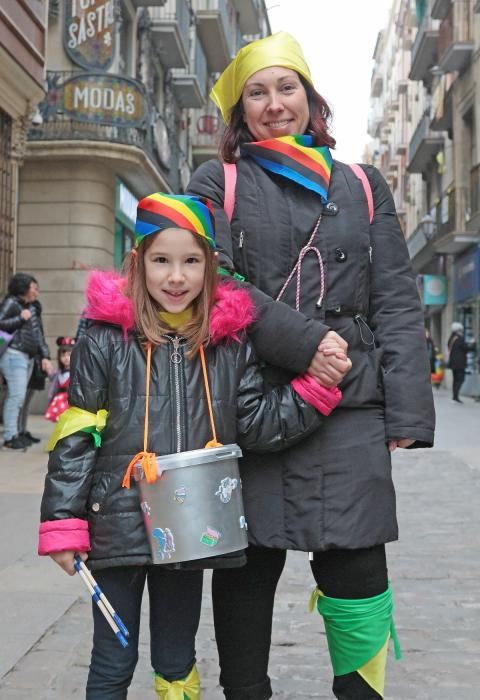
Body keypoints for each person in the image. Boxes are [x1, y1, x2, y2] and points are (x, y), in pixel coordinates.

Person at [187, 31, 435, 700]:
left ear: (310, 99)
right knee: (245, 572)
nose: (274, 104)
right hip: (252, 403)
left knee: (358, 573)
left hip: (348, 406)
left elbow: (395, 298)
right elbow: (213, 279)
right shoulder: (219, 181)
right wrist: (301, 343)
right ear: (241, 113)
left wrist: (407, 409)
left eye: (286, 88)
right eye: (257, 94)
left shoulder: (360, 182)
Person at [38, 193, 344, 700]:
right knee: (113, 658)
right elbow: (78, 430)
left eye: (190, 262)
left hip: (186, 530)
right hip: (113, 525)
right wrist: (62, 523)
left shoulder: (228, 341)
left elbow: (254, 422)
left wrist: (314, 391)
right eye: (161, 261)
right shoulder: (103, 335)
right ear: (138, 264)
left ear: (211, 267)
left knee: (177, 657)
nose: (175, 277)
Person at [0, 273, 52, 449]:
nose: (36, 292)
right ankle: (10, 436)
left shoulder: (31, 307)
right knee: (16, 396)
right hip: (14, 354)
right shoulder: (12, 303)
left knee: (21, 397)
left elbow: (38, 333)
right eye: (34, 288)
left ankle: (18, 432)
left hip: (27, 356)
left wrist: (44, 355)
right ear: (24, 288)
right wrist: (20, 318)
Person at [45, 336, 75, 422]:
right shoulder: (59, 372)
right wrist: (48, 370)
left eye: (69, 355)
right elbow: (54, 380)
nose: (66, 358)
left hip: (70, 401)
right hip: (59, 400)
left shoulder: (76, 372)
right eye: (63, 355)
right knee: (60, 421)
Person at [447, 322, 476, 403]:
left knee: (455, 380)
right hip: (460, 363)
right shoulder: (459, 338)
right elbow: (466, 348)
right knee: (460, 379)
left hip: (453, 363)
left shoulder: (451, 338)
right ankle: (455, 397)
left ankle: (454, 397)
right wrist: (474, 344)